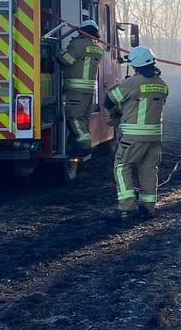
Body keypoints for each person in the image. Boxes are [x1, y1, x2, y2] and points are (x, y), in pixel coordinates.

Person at [103, 46, 169, 220]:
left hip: (133, 137)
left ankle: (126, 207)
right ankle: (147, 207)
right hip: (155, 137)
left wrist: (117, 111)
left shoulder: (133, 82)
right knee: (149, 170)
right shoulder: (162, 84)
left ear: (135, 65)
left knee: (121, 167)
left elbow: (109, 100)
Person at [59, 20, 105, 153]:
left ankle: (84, 145)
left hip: (76, 89)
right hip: (89, 90)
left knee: (74, 118)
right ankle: (79, 144)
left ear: (81, 31)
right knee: (83, 118)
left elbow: (67, 60)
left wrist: (59, 53)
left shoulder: (78, 44)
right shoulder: (99, 48)